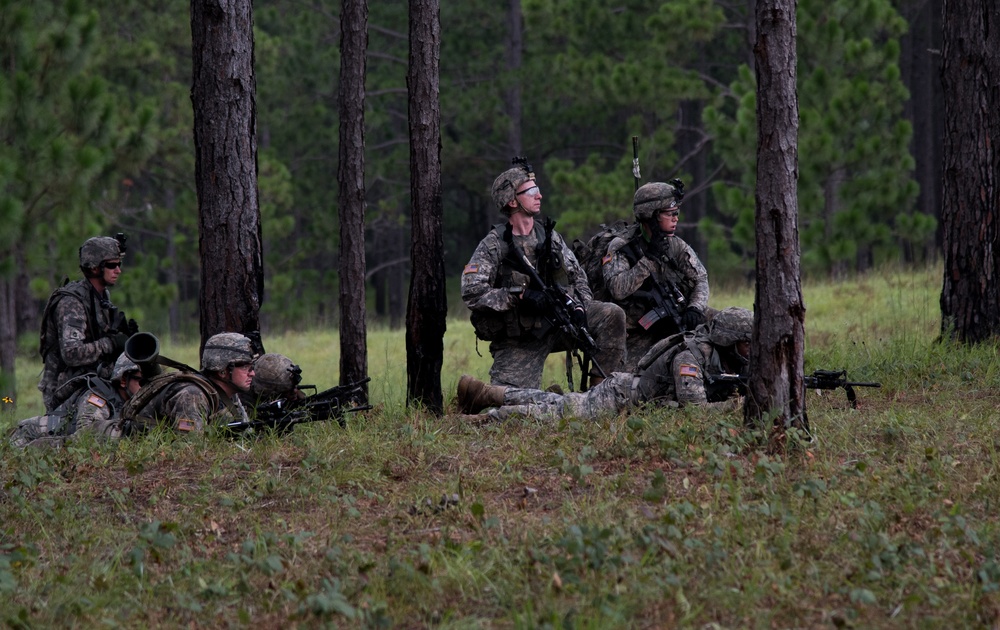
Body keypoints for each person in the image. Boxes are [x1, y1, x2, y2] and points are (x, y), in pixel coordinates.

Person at [461, 157, 626, 389]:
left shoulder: (549, 237)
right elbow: (472, 291)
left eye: (537, 190)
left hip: (561, 323)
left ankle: (599, 394)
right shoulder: (495, 244)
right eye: (531, 191)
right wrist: (520, 296)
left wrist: (580, 307)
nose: (539, 196)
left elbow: (577, 276)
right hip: (523, 338)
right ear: (511, 201)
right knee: (511, 403)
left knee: (611, 315)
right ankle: (477, 395)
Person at [456, 307, 752, 422]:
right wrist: (739, 405)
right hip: (620, 400)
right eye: (747, 343)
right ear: (728, 339)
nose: (751, 350)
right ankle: (482, 421)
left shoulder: (719, 356)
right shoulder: (691, 357)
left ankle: (488, 393)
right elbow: (695, 413)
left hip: (622, 394)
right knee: (553, 417)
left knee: (559, 402)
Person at [602, 181, 711, 372]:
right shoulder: (621, 246)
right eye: (670, 214)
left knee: (725, 327)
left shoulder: (674, 244)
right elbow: (617, 289)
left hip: (671, 319)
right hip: (637, 330)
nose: (676, 219)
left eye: (677, 213)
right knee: (635, 380)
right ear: (651, 216)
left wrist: (695, 308)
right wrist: (648, 260)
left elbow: (700, 278)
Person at [38, 234, 134, 411]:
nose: (118, 270)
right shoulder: (72, 303)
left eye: (119, 264)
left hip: (89, 377)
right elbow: (71, 353)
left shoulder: (101, 296)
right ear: (95, 268)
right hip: (65, 388)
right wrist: (110, 343)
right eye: (112, 265)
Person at [120, 332, 257, 435]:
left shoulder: (227, 393)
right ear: (222, 371)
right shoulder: (192, 395)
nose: (252, 373)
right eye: (245, 367)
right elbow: (189, 450)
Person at [9, 353, 144, 448]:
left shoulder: (130, 402)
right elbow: (85, 440)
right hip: (27, 438)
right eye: (142, 381)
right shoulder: (98, 399)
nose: (146, 387)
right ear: (123, 380)